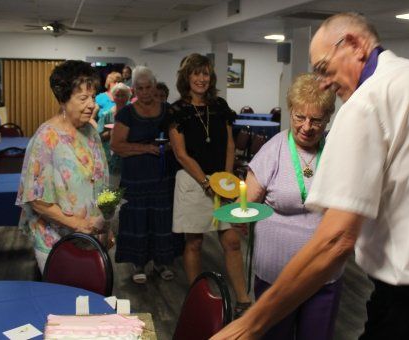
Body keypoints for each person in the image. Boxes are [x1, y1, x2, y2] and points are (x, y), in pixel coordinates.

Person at [212, 12, 409, 340]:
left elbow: (336, 240)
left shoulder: (368, 102)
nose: (324, 83)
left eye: (324, 68)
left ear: (355, 45)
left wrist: (251, 324)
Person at [245, 73, 341, 339]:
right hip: (276, 274)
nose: (307, 127)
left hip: (323, 271)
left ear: (328, 118)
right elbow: (247, 204)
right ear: (290, 111)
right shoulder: (273, 150)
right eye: (300, 117)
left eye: (316, 120)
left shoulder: (337, 151)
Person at [167, 53, 252, 318]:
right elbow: (181, 154)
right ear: (186, 77)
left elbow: (230, 145)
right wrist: (206, 182)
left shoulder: (219, 106)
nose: (201, 79)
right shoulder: (176, 110)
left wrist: (224, 181)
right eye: (196, 73)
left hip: (220, 181)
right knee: (194, 243)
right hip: (193, 183)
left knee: (232, 241)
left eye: (205, 74)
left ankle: (243, 298)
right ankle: (199, 298)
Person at [16, 60, 112, 273]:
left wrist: (106, 226)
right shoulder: (46, 138)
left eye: (93, 97)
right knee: (64, 294)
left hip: (91, 237)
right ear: (63, 100)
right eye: (83, 98)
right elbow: (35, 200)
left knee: (92, 293)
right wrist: (80, 225)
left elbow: (101, 180)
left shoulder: (91, 132)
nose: (92, 105)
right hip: (57, 243)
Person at [110, 66, 183, 284]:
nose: (145, 92)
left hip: (164, 176)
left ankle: (162, 262)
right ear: (134, 90)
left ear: (154, 86)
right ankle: (138, 263)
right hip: (136, 178)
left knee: (163, 219)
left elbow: (179, 141)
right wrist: (146, 148)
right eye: (140, 88)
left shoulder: (169, 110)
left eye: (148, 87)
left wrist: (169, 146)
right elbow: (117, 145)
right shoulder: (126, 113)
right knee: (137, 220)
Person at [97, 82, 132, 187]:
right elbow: (98, 136)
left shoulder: (133, 114)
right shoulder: (106, 114)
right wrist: (110, 133)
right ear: (113, 97)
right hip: (110, 158)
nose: (120, 98)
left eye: (123, 95)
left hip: (129, 156)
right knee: (112, 188)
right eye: (117, 95)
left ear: (128, 97)